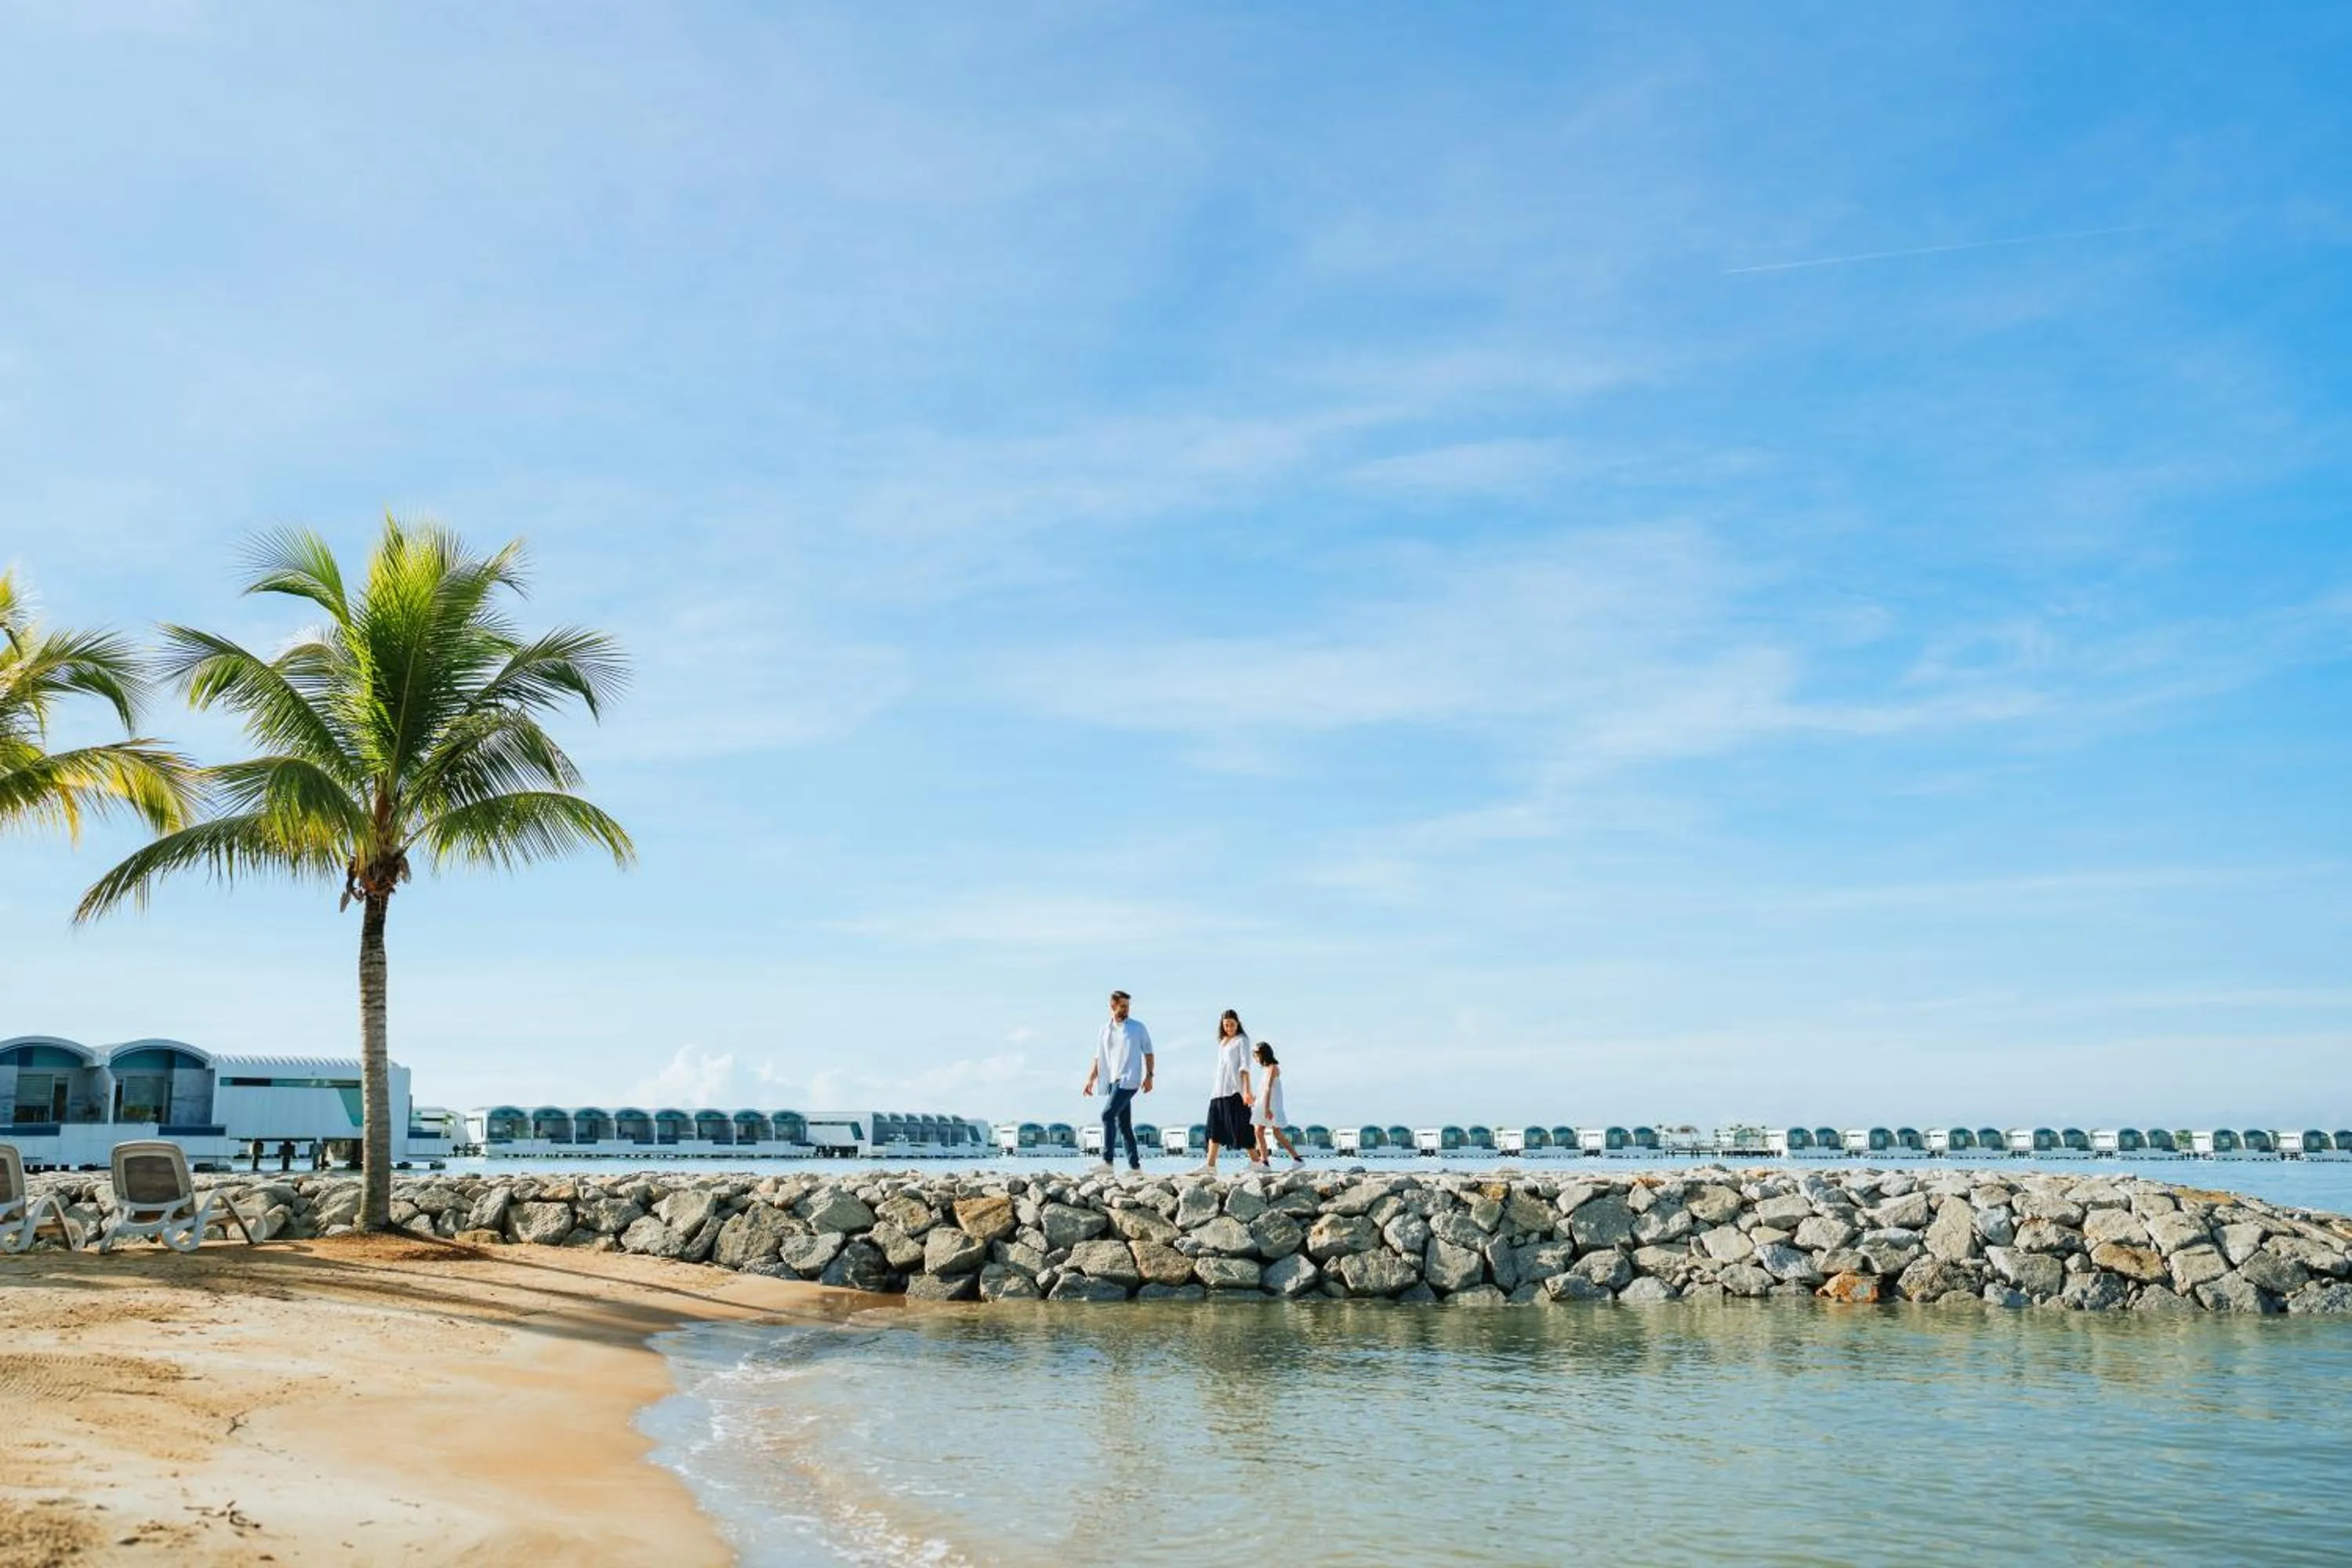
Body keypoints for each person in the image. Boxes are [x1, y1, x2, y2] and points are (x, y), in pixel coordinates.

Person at [1081, 989, 1153, 1173]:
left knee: (1107, 1115)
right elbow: (1098, 1057)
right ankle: (1135, 1167)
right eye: (1123, 1006)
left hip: (1130, 1080)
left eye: (1128, 1006)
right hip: (1113, 1079)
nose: (1126, 1009)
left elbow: (1149, 1052)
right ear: (1113, 1006)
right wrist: (1091, 1079)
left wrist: (1149, 1076)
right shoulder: (1105, 1029)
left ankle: (1107, 1162)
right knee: (1124, 1125)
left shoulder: (1138, 1027)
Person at [1200, 1009, 1255, 1174]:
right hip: (1218, 1090)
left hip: (1235, 1090)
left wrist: (1246, 1091)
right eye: (1226, 1025)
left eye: (1232, 1024)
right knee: (1214, 1126)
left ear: (1237, 1023)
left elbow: (1245, 1067)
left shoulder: (1242, 1040)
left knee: (1242, 1126)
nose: (1229, 1027)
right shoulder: (1223, 1042)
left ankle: (1257, 1161)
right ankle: (1210, 1165)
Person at [1252, 1043, 1305, 1167]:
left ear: (1263, 1054)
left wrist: (1267, 1109)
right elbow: (1263, 1089)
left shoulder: (1273, 1068)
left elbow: (1269, 1089)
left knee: (1271, 1132)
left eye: (1256, 1054)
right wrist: (1255, 1100)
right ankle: (1265, 1161)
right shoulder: (1266, 1069)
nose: (1255, 1057)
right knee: (1261, 1132)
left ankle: (1295, 1159)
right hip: (1264, 1103)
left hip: (1270, 1105)